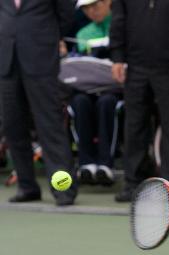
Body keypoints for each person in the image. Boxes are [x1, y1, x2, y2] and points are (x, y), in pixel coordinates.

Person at [109, 0, 169, 201]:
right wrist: (117, 56)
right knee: (134, 127)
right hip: (135, 66)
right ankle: (133, 184)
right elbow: (118, 21)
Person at [0, 0, 78, 206]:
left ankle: (63, 189)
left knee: (49, 125)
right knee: (12, 126)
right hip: (7, 61)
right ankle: (27, 187)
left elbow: (66, 13)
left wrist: (49, 36)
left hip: (40, 58)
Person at [70, 0, 121, 186]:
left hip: (115, 92)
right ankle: (86, 164)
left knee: (107, 102)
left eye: (95, 5)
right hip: (87, 90)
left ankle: (106, 165)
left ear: (108, 2)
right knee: (79, 102)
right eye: (86, 8)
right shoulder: (83, 33)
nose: (92, 11)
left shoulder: (120, 25)